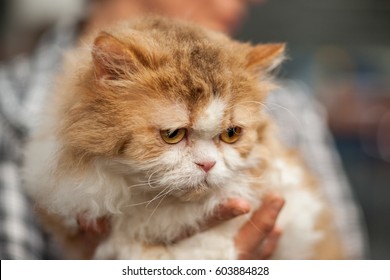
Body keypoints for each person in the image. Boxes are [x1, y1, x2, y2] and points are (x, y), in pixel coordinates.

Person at [0, 0, 367, 259]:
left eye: (231, 134)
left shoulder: (295, 107)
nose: (257, 1)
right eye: (172, 133)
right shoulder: (10, 105)